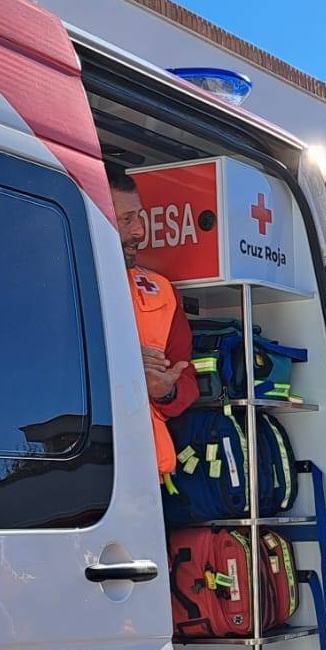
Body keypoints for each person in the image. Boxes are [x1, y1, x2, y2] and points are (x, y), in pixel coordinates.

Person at [108, 166, 195, 477]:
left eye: (139, 217)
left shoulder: (162, 293)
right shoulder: (51, 282)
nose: (139, 231)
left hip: (143, 475)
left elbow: (186, 379)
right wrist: (125, 365)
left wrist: (165, 392)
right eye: (126, 220)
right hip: (80, 465)